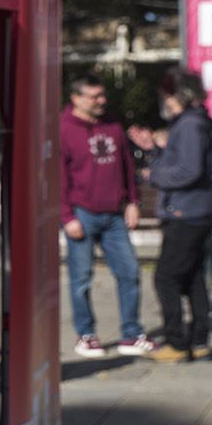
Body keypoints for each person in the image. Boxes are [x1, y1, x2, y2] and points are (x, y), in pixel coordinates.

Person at [59, 74, 148, 358]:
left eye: (102, 96)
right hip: (81, 212)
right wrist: (66, 216)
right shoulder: (63, 129)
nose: (101, 101)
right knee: (81, 278)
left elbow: (126, 164)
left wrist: (133, 202)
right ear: (76, 98)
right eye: (94, 96)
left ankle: (131, 334)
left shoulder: (112, 124)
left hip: (114, 214)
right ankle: (86, 334)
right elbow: (57, 177)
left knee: (129, 273)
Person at [144, 66, 212, 364]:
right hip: (195, 209)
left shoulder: (189, 125)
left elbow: (190, 169)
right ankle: (198, 339)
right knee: (193, 276)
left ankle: (176, 341)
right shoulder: (194, 122)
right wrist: (157, 150)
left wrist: (155, 174)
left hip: (186, 211)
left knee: (166, 278)